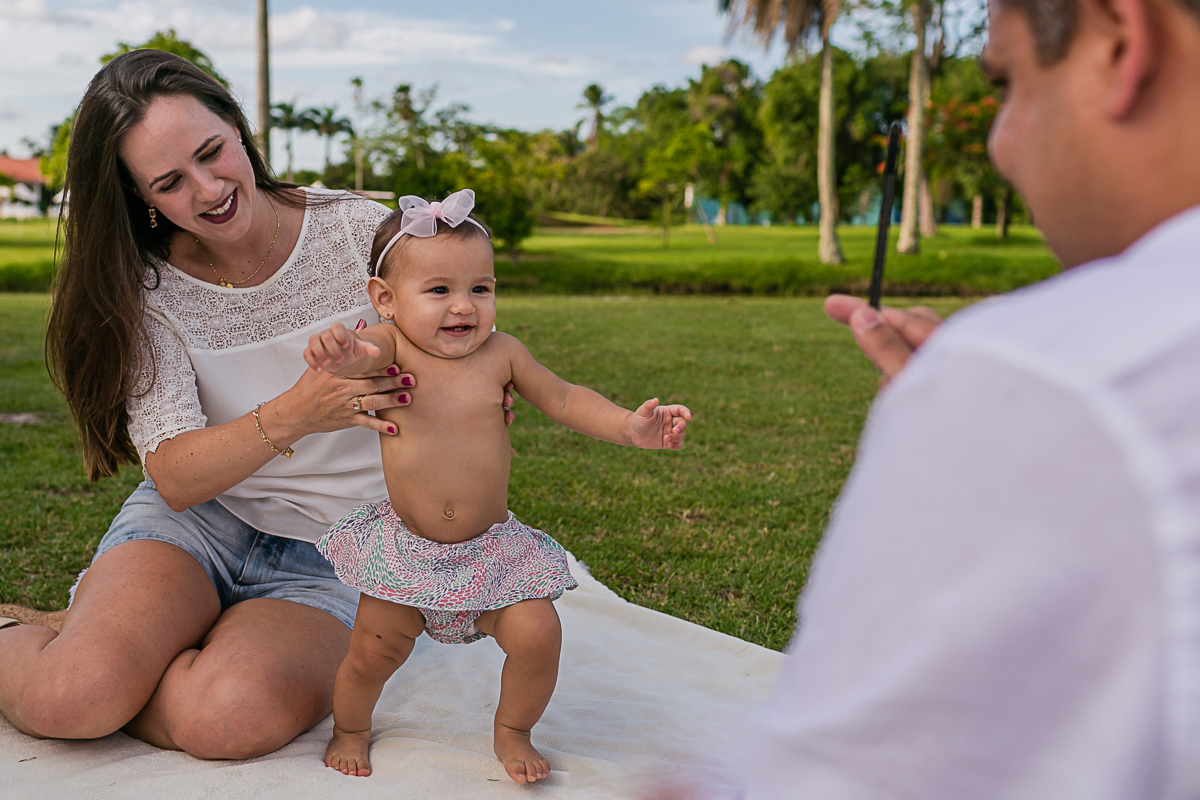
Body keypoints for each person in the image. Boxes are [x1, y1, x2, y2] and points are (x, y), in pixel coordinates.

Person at [0, 50, 516, 759]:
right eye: (170, 183)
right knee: (70, 698)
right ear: (140, 196)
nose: (209, 189)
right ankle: (60, 649)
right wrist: (299, 410)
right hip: (197, 525)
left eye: (212, 152)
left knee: (227, 719)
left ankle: (120, 652)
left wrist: (473, 396)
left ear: (238, 130)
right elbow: (175, 477)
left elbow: (462, 335)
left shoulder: (356, 233)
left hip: (342, 548)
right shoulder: (145, 287)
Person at [743, 0, 1200, 796]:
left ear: (1121, 43)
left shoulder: (1044, 381)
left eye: (1009, 83)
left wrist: (993, 410)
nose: (1001, 145)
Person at [302, 190, 692, 783]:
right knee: (372, 653)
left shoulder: (503, 353)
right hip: (408, 553)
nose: (464, 306)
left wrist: (629, 427)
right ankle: (351, 728)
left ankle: (513, 730)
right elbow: (360, 357)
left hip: (491, 552)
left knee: (539, 634)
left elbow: (565, 398)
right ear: (385, 300)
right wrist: (342, 352)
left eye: (480, 288)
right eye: (439, 290)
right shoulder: (391, 345)